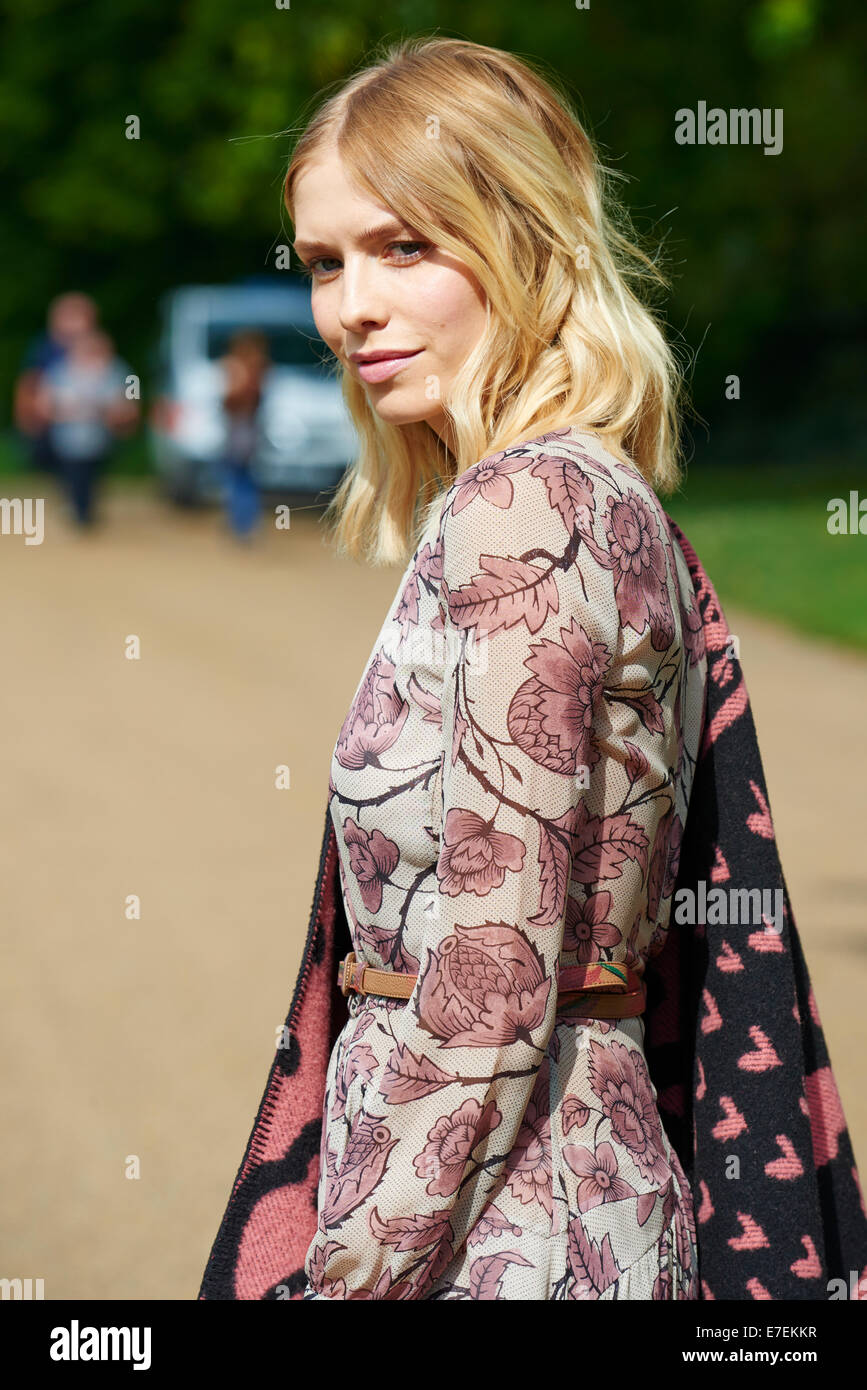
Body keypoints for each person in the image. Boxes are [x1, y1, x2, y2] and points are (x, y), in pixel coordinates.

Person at [198, 37, 867, 1301]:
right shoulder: (591, 494)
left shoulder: (526, 511)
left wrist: (342, 1277)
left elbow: (492, 991)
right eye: (326, 263)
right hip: (564, 1190)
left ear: (526, 238)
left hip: (498, 1226)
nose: (352, 307)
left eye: (405, 247)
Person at [36, 327, 138, 526]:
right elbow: (45, 403)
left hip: (102, 438)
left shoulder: (118, 372)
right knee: (75, 476)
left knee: (93, 478)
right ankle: (79, 513)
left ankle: (84, 511)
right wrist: (66, 412)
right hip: (69, 438)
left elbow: (131, 404)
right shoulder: (59, 371)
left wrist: (112, 412)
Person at [13, 292, 100, 476]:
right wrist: (27, 419)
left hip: (94, 422)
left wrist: (129, 402)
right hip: (56, 421)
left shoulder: (100, 349)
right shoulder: (43, 351)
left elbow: (127, 380)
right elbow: (28, 385)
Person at [217, 329, 269, 541]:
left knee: (239, 479)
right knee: (244, 478)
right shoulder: (260, 371)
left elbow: (231, 401)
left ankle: (242, 524)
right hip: (249, 430)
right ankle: (244, 523)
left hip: (241, 431)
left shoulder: (244, 373)